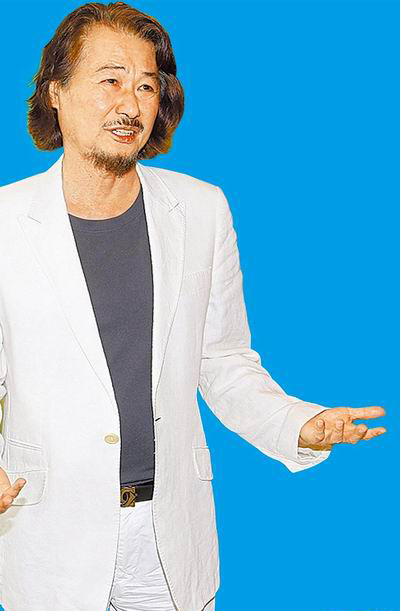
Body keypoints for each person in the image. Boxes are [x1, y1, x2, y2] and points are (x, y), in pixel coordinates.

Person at [0, 3, 387, 611]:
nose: (130, 104)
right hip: (49, 536)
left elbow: (224, 361)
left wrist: (298, 424)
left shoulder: (202, 209)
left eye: (146, 85)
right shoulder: (6, 222)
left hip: (171, 537)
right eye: (110, 79)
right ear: (56, 92)